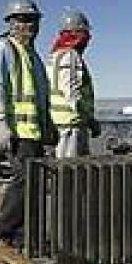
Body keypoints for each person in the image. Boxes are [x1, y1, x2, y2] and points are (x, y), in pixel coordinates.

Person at [0, 0, 56, 264]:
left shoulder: (32, 56)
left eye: (33, 20)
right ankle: (0, 231)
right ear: (11, 23)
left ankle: (24, 235)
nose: (29, 25)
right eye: (23, 20)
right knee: (23, 181)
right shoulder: (2, 49)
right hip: (17, 131)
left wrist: (48, 126)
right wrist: (0, 121)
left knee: (34, 183)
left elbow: (41, 96)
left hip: (33, 131)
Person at [47, 9, 100, 158]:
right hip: (71, 125)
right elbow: (72, 94)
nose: (88, 40)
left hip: (62, 124)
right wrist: (89, 120)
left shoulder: (56, 56)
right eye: (85, 34)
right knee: (72, 172)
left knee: (68, 171)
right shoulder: (70, 56)